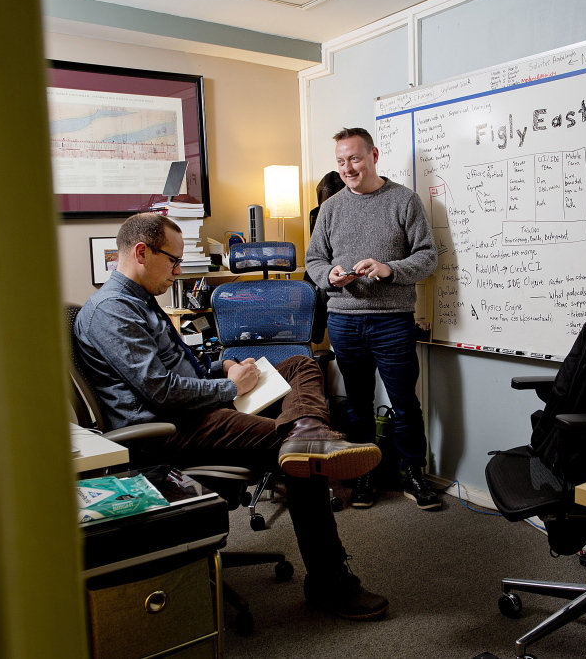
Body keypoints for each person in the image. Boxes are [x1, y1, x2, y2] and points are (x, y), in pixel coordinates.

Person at [74, 212, 388, 621]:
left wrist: (221, 371)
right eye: (173, 260)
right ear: (140, 252)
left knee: (299, 364)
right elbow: (160, 391)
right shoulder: (112, 310)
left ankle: (308, 428)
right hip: (168, 429)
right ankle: (329, 581)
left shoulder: (139, 302)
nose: (177, 271)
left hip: (195, 407)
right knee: (297, 456)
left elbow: (172, 375)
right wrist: (231, 388)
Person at [306, 127, 440, 511]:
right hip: (344, 322)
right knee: (357, 405)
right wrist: (329, 275)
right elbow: (314, 259)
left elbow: (428, 256)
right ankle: (365, 473)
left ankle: (413, 472)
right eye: (341, 161)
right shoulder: (331, 208)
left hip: (391, 320)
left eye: (355, 158)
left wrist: (387, 269)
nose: (348, 168)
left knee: (404, 403)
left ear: (373, 155)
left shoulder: (404, 200)